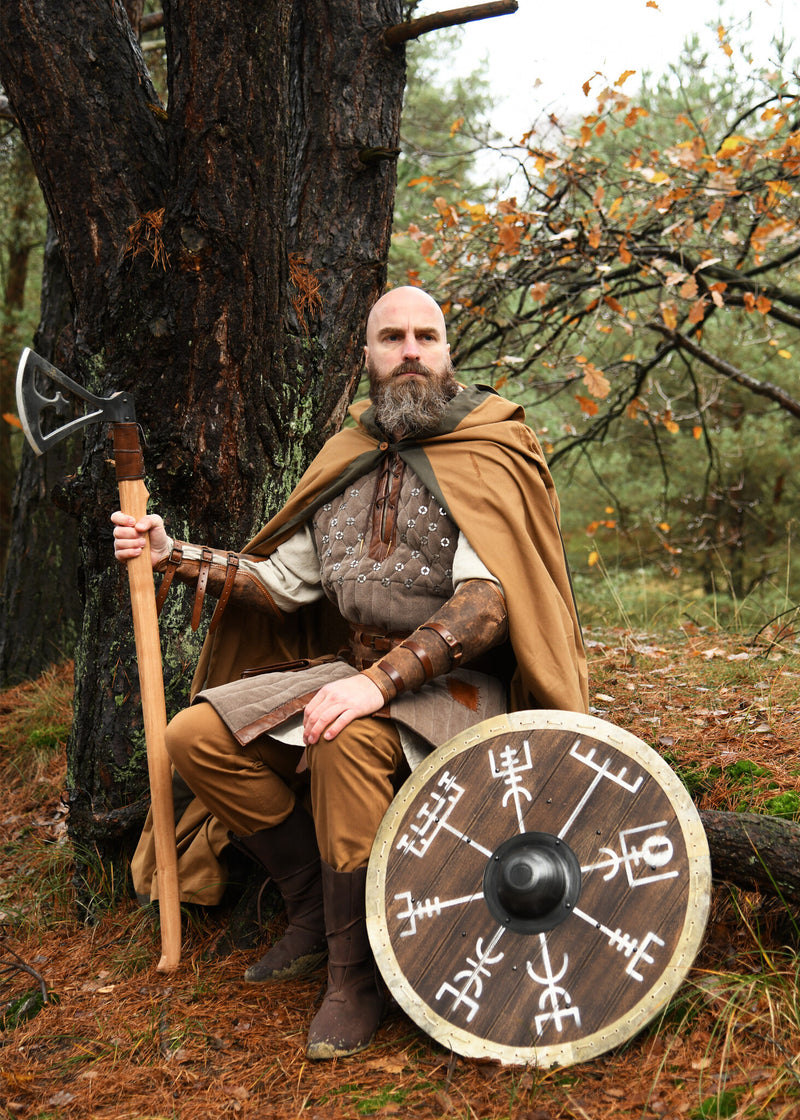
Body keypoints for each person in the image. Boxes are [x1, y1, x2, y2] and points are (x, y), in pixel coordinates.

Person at [113, 286, 588, 1060]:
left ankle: (353, 975)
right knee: (194, 737)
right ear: (365, 355)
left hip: (454, 686)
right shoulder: (347, 454)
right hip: (348, 667)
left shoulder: (492, 448)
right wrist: (177, 555)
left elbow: (489, 601)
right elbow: (284, 583)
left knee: (345, 738)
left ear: (446, 350)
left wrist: (377, 685)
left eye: (424, 336)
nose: (409, 350)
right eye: (391, 336)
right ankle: (308, 906)